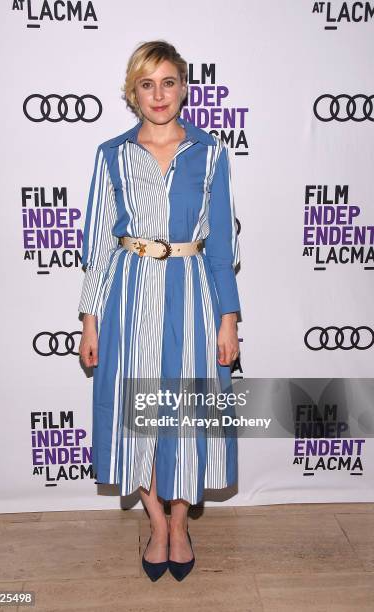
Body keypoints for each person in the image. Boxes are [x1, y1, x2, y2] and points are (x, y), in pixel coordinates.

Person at [78, 40, 241, 581]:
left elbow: (221, 248)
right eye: (147, 84)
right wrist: (89, 320)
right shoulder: (112, 155)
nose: (159, 94)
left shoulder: (211, 151)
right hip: (129, 295)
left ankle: (180, 523)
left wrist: (228, 320)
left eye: (168, 82)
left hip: (193, 294)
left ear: (184, 87)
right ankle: (155, 522)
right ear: (134, 92)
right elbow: (99, 245)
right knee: (136, 416)